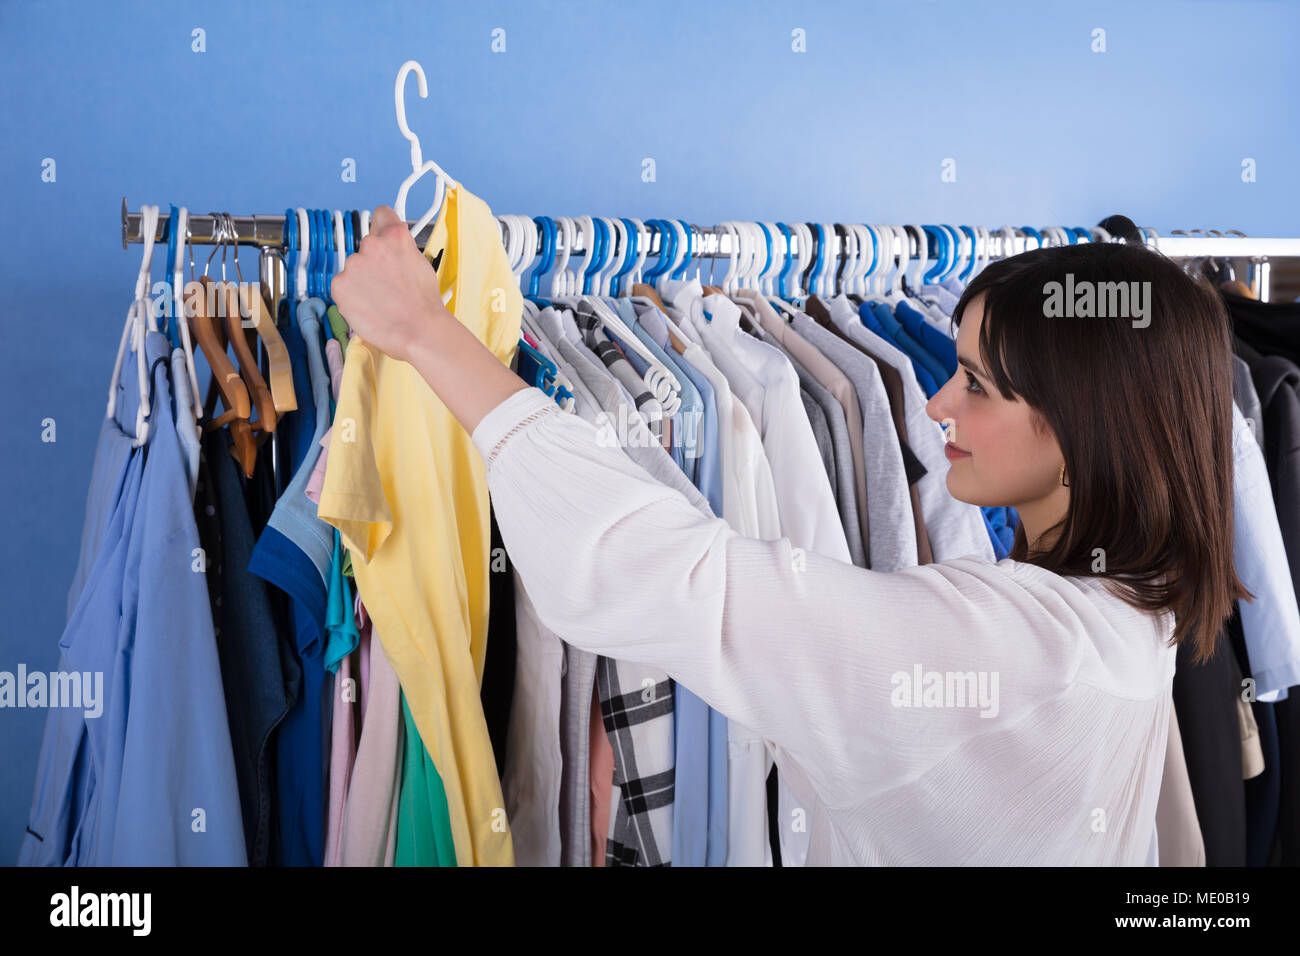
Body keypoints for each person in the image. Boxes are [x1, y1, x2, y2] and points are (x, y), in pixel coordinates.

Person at [331, 206, 1248, 865]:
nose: (934, 403)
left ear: (1084, 426)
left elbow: (672, 577)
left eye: (977, 384)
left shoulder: (1011, 648)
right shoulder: (1133, 610)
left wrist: (424, 332)